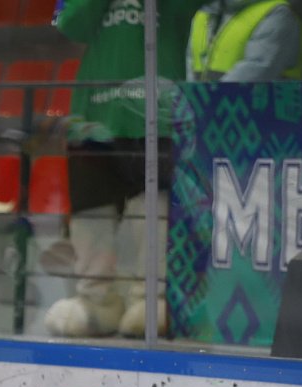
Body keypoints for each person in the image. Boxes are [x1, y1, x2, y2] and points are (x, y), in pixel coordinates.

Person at [44, 0, 207, 339]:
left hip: (157, 114)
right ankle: (96, 300)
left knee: (152, 212)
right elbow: (71, 24)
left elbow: (191, 11)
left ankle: (151, 297)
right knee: (92, 213)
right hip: (93, 114)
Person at [187, 0, 302, 83]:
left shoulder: (276, 13)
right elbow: (192, 68)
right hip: (210, 107)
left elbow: (257, 71)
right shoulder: (204, 14)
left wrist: (206, 103)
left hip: (261, 109)